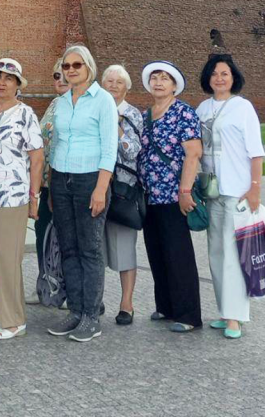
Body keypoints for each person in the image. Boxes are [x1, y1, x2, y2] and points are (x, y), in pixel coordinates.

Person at [46, 45, 118, 343]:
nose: (71, 70)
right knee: (69, 247)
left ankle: (91, 314)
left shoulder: (103, 101)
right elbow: (55, 143)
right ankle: (75, 310)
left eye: (77, 65)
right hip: (62, 179)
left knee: (90, 249)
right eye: (67, 66)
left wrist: (101, 188)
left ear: (89, 66)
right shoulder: (62, 102)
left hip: (91, 180)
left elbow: (109, 147)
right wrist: (51, 183)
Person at [196, 54, 265, 340]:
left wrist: (255, 188)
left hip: (236, 190)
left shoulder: (243, 108)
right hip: (212, 190)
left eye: (224, 73)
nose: (219, 78)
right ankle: (224, 311)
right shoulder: (202, 109)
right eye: (214, 74)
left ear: (233, 77)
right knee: (216, 254)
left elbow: (256, 151)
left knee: (234, 254)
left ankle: (236, 317)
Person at [0, 58, 43, 340]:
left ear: (18, 84)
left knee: (8, 257)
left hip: (14, 194)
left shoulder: (25, 113)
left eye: (9, 78)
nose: (2, 83)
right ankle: (6, 315)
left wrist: (34, 195)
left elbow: (37, 157)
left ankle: (13, 321)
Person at [138, 61, 203, 333]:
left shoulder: (183, 113)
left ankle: (188, 314)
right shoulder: (147, 115)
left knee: (178, 254)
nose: (159, 82)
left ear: (174, 86)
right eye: (155, 78)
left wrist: (185, 190)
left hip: (173, 193)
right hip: (150, 194)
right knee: (157, 251)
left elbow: (193, 153)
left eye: (165, 78)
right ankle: (165, 305)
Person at [100, 64, 144, 325]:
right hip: (95, 186)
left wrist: (115, 126)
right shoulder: (93, 108)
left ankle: (127, 302)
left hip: (122, 190)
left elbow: (132, 151)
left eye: (119, 82)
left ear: (127, 87)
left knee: (124, 246)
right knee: (95, 248)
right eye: (109, 80)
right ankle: (96, 298)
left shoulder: (132, 115)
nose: (113, 85)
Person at [32, 56, 68, 303]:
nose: (61, 79)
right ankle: (45, 283)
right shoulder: (55, 103)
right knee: (42, 233)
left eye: (66, 74)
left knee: (64, 237)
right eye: (57, 76)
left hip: (65, 182)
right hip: (45, 183)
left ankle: (65, 290)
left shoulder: (78, 104)